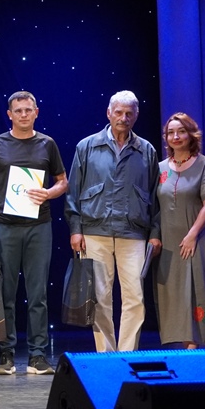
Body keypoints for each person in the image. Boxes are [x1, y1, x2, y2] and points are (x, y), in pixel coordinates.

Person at [65, 90, 161, 352]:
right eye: (118, 112)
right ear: (108, 113)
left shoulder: (146, 150)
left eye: (129, 113)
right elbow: (73, 192)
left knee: (135, 297)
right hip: (95, 231)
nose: (123, 118)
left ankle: (127, 354)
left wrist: (155, 232)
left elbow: (156, 196)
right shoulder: (87, 146)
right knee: (99, 297)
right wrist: (76, 229)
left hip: (134, 233)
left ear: (136, 116)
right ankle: (106, 354)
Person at [0, 91, 68, 375]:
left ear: (36, 112)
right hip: (4, 226)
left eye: (28, 110)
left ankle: (37, 355)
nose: (23, 115)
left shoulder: (47, 144)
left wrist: (48, 193)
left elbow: (63, 182)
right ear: (9, 114)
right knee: (5, 293)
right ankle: (5, 355)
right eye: (18, 111)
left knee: (37, 293)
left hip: (38, 226)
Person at [155, 113, 205, 348]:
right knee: (173, 293)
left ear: (191, 135)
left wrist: (192, 235)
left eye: (181, 131)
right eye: (171, 132)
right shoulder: (159, 168)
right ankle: (183, 344)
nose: (176, 136)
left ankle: (195, 346)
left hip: (196, 239)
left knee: (197, 290)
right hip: (168, 242)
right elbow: (153, 206)